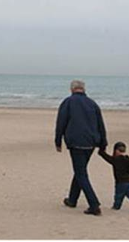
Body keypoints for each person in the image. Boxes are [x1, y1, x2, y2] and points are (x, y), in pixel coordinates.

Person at [55, 80, 107, 216]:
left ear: (72, 89)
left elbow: (61, 121)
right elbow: (101, 124)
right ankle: (72, 200)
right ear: (83, 89)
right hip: (91, 143)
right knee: (80, 170)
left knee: (81, 173)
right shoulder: (92, 103)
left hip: (76, 142)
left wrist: (58, 140)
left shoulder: (68, 102)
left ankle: (94, 205)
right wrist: (103, 144)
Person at [98, 141, 129, 213]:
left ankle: (116, 206)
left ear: (116, 150)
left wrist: (101, 152)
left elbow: (107, 158)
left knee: (118, 195)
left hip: (120, 182)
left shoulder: (116, 160)